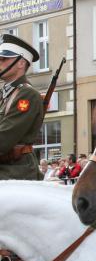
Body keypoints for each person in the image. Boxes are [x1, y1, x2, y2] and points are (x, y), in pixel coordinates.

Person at [0, 34, 45, 180]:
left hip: (16, 171)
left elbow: (4, 140)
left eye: (4, 59)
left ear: (20, 63)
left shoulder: (27, 95)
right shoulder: (4, 94)